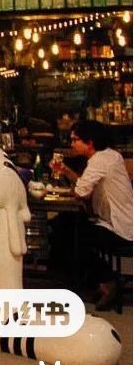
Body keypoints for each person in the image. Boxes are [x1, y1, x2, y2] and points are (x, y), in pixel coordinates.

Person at [56, 120, 133, 310]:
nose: (72, 144)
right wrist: (66, 171)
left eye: (75, 140)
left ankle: (108, 281)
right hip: (115, 222)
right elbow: (84, 185)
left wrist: (68, 179)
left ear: (89, 143)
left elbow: (81, 192)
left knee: (74, 236)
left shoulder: (100, 160)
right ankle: (95, 281)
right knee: (65, 224)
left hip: (120, 229)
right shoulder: (110, 156)